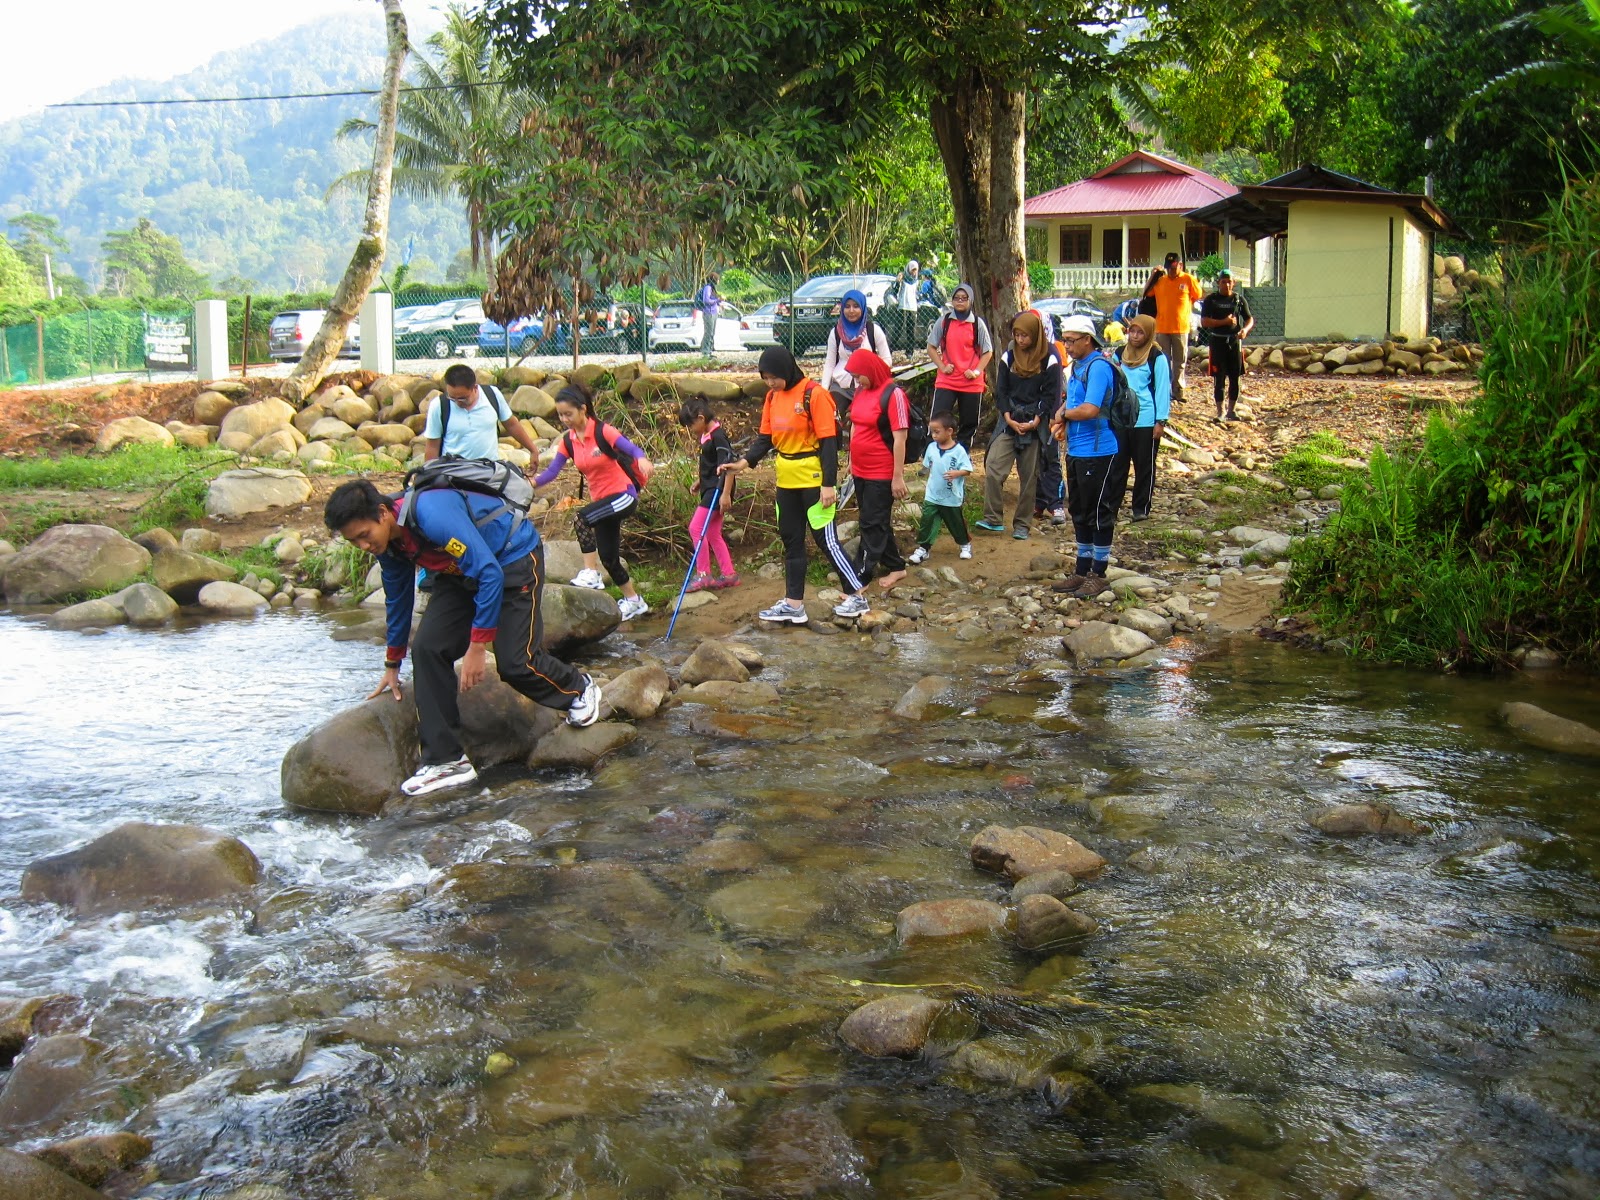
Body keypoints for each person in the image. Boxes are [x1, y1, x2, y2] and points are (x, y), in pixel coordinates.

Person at [324, 478, 601, 798]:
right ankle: (446, 760)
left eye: (364, 535)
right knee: (427, 649)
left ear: (383, 513)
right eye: (353, 541)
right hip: (460, 573)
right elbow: (398, 599)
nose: (363, 546)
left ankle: (579, 688)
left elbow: (490, 573)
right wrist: (392, 662)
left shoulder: (432, 515)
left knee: (515, 663)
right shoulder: (391, 544)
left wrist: (477, 646)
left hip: (511, 562)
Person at [717, 346, 865, 625]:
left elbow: (829, 443)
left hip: (812, 476)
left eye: (774, 376)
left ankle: (856, 593)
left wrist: (828, 484)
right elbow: (765, 439)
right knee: (791, 540)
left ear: (787, 369)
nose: (770, 382)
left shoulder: (814, 394)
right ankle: (794, 604)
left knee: (826, 540)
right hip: (785, 478)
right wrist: (743, 463)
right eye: (765, 377)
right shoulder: (772, 398)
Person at [531, 383, 652, 622]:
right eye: (560, 415)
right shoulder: (568, 442)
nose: (564, 419)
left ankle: (591, 573)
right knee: (609, 558)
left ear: (582, 409)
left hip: (623, 495)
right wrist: (532, 483)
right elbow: (553, 471)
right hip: (603, 502)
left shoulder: (603, 432)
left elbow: (632, 449)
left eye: (568, 414)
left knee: (581, 518)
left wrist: (643, 460)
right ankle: (634, 601)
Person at [833, 348, 910, 617]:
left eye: (859, 376)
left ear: (871, 371)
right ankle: (896, 566)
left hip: (882, 470)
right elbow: (855, 425)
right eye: (853, 377)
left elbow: (900, 438)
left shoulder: (894, 395)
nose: (857, 381)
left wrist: (897, 476)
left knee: (870, 523)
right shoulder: (860, 392)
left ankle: (859, 580)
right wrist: (852, 459)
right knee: (875, 519)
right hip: (862, 470)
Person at [1049, 315, 1122, 596]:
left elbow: (1090, 409)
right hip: (1078, 449)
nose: (1066, 345)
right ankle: (1081, 569)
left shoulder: (1099, 367)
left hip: (1100, 450)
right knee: (1079, 509)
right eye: (1064, 340)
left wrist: (1063, 414)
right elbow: (1074, 402)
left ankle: (1098, 571)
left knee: (1098, 511)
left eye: (1071, 340)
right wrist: (1063, 417)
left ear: (1087, 339)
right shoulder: (1077, 368)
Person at [974, 311, 1061, 540]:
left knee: (1029, 475)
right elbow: (1000, 390)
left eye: (1025, 336)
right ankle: (992, 518)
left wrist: (1038, 419)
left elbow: (1050, 394)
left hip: (1034, 421)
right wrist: (1008, 416)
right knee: (993, 466)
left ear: (1035, 335)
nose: (1021, 340)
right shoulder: (1009, 356)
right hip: (1009, 419)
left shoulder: (1048, 359)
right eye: (1017, 335)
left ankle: (1022, 524)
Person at [1113, 315, 1171, 521]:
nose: (1135, 336)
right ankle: (1112, 506)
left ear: (1148, 335)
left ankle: (1140, 508)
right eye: (1132, 331)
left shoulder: (1156, 357)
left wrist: (1160, 421)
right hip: (1120, 418)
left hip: (1145, 419)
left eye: (1140, 332)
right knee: (1117, 465)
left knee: (1144, 466)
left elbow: (1163, 389)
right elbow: (1112, 383)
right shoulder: (1119, 354)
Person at [423, 363, 542, 464]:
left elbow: (511, 424)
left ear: (475, 388)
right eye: (452, 398)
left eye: (463, 398)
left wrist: (533, 450)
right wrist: (429, 475)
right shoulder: (439, 405)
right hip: (453, 471)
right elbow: (432, 446)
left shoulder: (492, 395)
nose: (457, 403)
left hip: (488, 468)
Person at [680, 398, 739, 594]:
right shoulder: (708, 436)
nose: (690, 429)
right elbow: (713, 465)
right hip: (710, 487)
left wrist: (725, 495)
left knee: (696, 528)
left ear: (701, 418)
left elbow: (728, 468)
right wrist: (701, 481)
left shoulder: (718, 437)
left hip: (717, 491)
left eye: (691, 424)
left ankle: (703, 574)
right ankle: (729, 574)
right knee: (713, 533)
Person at [926, 282, 993, 451]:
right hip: (947, 380)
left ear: (970, 301)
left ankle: (962, 455)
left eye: (964, 298)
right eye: (957, 298)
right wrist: (942, 366)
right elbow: (931, 347)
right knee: (938, 419)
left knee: (968, 422)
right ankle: (933, 455)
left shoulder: (977, 324)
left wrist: (977, 371)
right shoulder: (944, 321)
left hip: (971, 382)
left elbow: (988, 352)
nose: (960, 301)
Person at [821, 289, 892, 428]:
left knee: (863, 422)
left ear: (863, 308)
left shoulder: (873, 330)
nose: (851, 311)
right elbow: (829, 363)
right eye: (847, 307)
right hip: (841, 385)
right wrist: (823, 390)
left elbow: (887, 359)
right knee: (832, 417)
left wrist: (871, 374)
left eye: (856, 306)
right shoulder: (836, 332)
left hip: (867, 386)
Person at [909, 412, 973, 564]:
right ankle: (924, 548)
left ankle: (965, 544)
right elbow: (927, 465)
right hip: (932, 494)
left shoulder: (958, 451)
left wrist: (957, 473)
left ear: (949, 431)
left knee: (955, 522)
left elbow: (968, 469)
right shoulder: (931, 447)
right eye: (932, 432)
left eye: (937, 432)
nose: (934, 435)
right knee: (927, 521)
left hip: (951, 496)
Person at [1200, 269, 1255, 422]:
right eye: (1223, 281)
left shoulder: (1238, 300)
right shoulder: (1211, 300)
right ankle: (1220, 411)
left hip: (1234, 342)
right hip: (1217, 342)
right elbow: (1204, 322)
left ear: (1234, 283)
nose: (1226, 284)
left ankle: (1232, 410)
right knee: (1219, 377)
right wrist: (1224, 322)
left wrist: (1244, 330)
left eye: (1229, 281)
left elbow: (1250, 319)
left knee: (1235, 377)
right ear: (1218, 283)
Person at [1151, 252, 1202, 407]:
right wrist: (1152, 276)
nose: (1171, 271)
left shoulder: (1188, 279)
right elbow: (1147, 293)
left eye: (1173, 268)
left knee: (1179, 362)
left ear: (1180, 265)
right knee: (1163, 361)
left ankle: (1178, 391)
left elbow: (1197, 295)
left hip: (1180, 328)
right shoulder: (1160, 281)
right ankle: (1164, 391)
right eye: (1169, 268)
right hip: (1162, 327)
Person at [696, 274, 721, 359]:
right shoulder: (708, 288)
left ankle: (709, 351)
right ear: (714, 279)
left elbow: (712, 299)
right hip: (708, 313)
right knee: (708, 333)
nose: (718, 281)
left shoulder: (712, 288)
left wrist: (718, 302)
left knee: (712, 333)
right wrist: (717, 300)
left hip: (714, 313)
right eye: (718, 279)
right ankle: (705, 352)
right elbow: (706, 300)